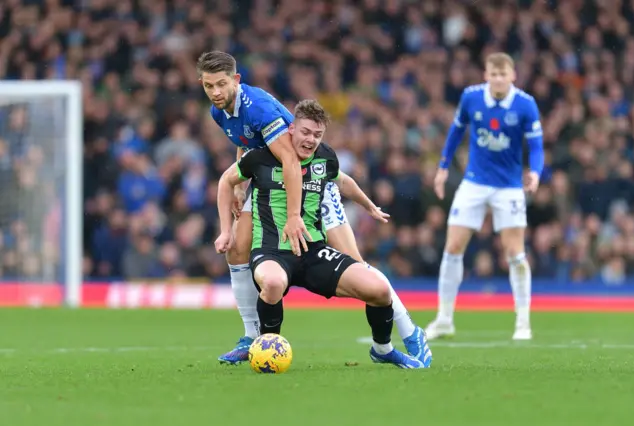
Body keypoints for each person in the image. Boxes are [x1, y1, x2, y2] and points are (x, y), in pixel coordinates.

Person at [199, 51, 429, 365]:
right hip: (272, 177)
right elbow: (248, 140)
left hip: (310, 183)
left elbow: (293, 161)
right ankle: (251, 336)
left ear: (236, 81)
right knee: (236, 248)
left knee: (358, 264)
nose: (215, 92)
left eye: (221, 84)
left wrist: (294, 216)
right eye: (209, 85)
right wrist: (241, 181)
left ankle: (409, 329)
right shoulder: (219, 111)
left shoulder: (260, 108)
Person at [424, 52, 544, 341]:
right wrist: (442, 167)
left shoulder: (526, 104)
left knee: (515, 253)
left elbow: (537, 147)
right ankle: (444, 319)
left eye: (504, 74)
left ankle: (523, 322)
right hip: (474, 182)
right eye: (494, 74)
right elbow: (455, 132)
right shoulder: (471, 97)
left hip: (509, 186)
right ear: (486, 75)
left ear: (513, 76)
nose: (499, 79)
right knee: (452, 247)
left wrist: (536, 173)